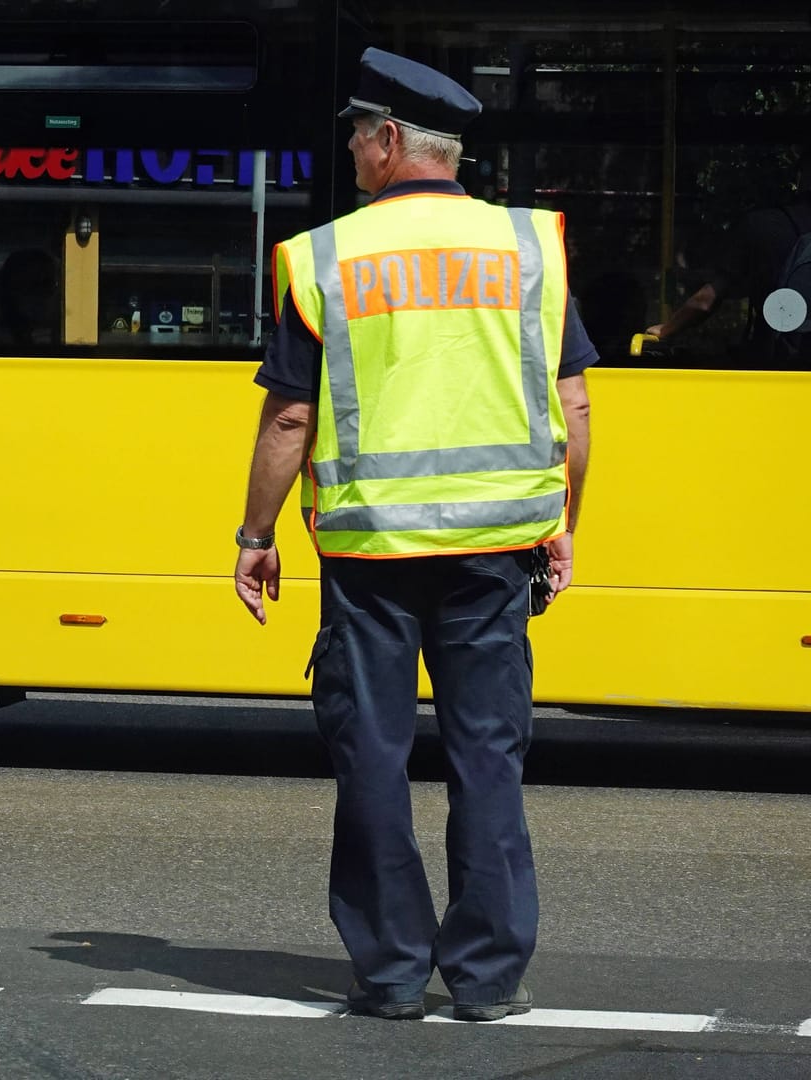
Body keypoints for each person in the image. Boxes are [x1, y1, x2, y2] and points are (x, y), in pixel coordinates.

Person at [232, 48, 595, 1022]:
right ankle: (484, 978)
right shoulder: (530, 247)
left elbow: (290, 422)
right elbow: (573, 403)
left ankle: (392, 972)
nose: (351, 150)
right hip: (494, 554)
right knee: (488, 755)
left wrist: (255, 532)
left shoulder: (323, 258)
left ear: (391, 141)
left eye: (358, 133)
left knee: (375, 754)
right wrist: (562, 523)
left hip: (372, 558)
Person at [646, 154, 811, 367]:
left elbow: (706, 301)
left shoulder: (761, 225)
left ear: (798, 178)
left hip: (777, 364)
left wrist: (666, 329)